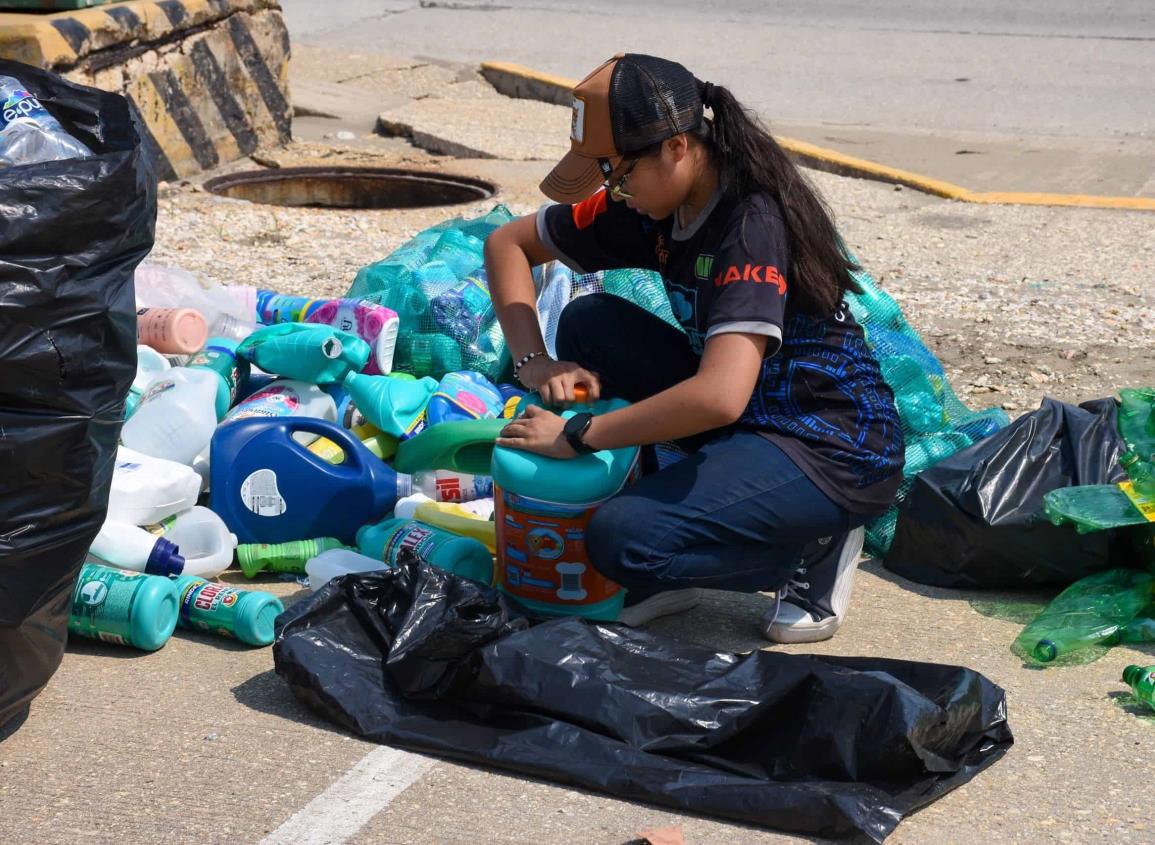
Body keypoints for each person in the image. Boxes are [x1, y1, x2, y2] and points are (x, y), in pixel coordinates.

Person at [484, 53, 904, 642]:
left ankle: (810, 545)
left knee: (618, 539)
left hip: (824, 443)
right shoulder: (654, 200)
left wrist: (578, 436)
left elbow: (719, 397)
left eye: (617, 174)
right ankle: (692, 520)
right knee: (587, 321)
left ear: (676, 147)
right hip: (749, 408)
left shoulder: (749, 226)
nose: (614, 192)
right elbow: (508, 244)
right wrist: (536, 362)